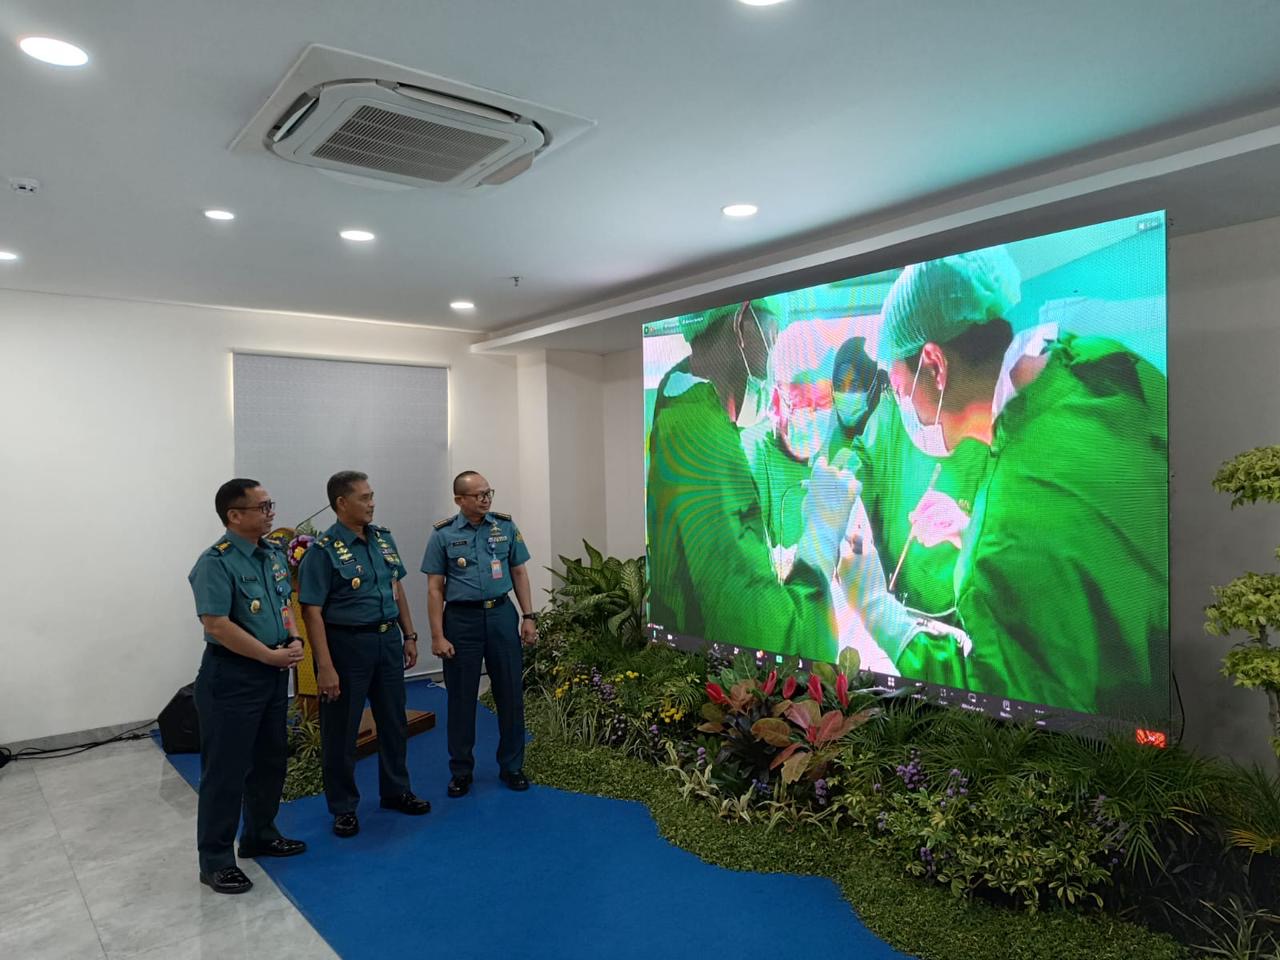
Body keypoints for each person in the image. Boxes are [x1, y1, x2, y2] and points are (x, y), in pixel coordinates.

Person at [875, 248, 1169, 718]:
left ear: (934, 364)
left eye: (898, 389)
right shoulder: (1096, 363)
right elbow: (1092, 541)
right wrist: (970, 532)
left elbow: (1012, 710)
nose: (904, 406)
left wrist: (876, 612)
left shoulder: (1009, 531)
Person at [647, 298, 892, 662]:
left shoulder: (679, 407)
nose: (814, 415)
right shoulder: (717, 444)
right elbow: (770, 639)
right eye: (772, 340)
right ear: (742, 326)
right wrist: (819, 541)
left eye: (822, 404)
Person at [187, 479, 307, 894]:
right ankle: (215, 860)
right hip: (233, 677)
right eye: (263, 507)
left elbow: (284, 604)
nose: (271, 512)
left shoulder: (272, 554)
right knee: (226, 771)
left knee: (270, 761)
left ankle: (260, 833)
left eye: (271, 504)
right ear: (234, 515)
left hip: (272, 673)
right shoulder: (215, 563)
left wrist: (294, 639)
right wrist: (267, 656)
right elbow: (217, 625)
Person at [298, 471, 430, 838]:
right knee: (341, 731)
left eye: (372, 496)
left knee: (394, 721)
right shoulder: (323, 551)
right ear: (341, 503)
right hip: (347, 646)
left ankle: (396, 790)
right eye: (364, 498)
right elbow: (312, 612)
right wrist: (324, 666)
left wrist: (410, 634)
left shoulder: (383, 539)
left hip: (387, 641)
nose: (372, 503)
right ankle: (343, 807)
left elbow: (396, 588)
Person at [421, 471, 538, 797]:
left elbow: (519, 571)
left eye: (489, 493)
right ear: (459, 500)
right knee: (461, 697)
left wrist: (529, 616)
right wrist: (437, 635)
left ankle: (512, 766)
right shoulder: (443, 534)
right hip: (461, 621)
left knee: (510, 694)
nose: (486, 499)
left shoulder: (505, 527)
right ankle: (461, 770)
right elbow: (434, 588)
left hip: (501, 615)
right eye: (478, 495)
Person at [741, 321, 837, 581]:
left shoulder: (834, 452)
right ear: (775, 401)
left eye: (823, 403)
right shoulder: (750, 455)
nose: (814, 417)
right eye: (802, 405)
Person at [823, 335, 889, 463]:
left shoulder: (887, 434)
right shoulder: (836, 438)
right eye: (839, 386)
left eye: (854, 386)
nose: (846, 394)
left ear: (872, 386)